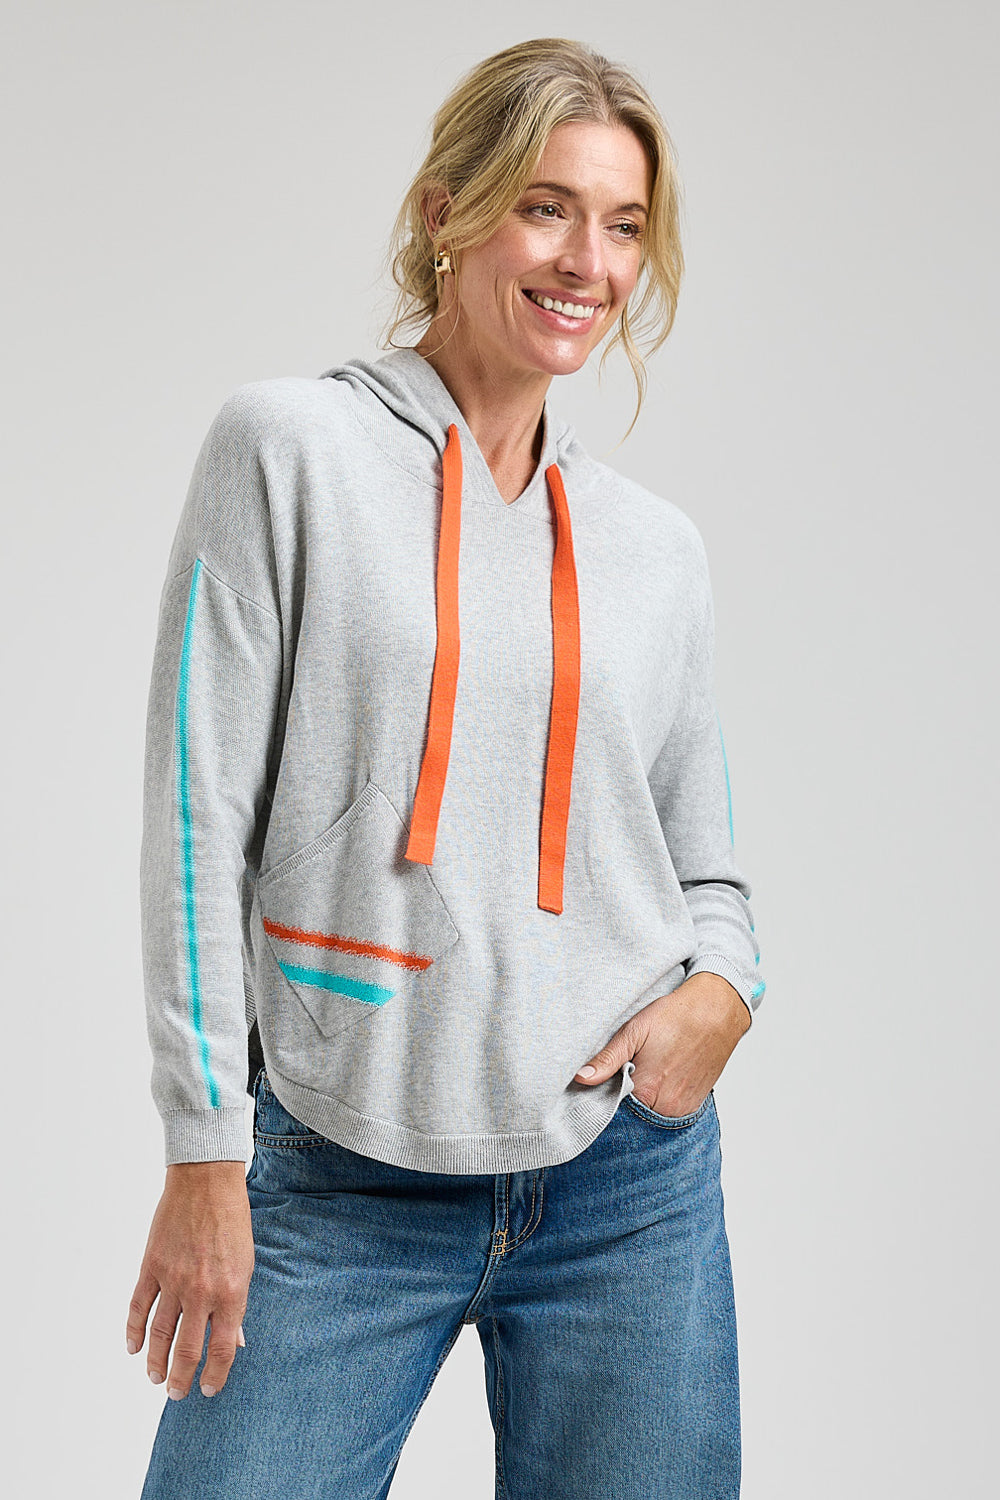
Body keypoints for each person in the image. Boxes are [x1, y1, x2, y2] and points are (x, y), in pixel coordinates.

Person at [128, 35, 765, 1500]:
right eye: (547, 208)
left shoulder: (655, 551)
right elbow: (193, 818)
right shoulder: (287, 450)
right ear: (445, 211)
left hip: (623, 1191)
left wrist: (724, 991)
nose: (587, 262)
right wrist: (202, 1150)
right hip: (341, 1168)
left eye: (622, 226)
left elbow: (706, 865)